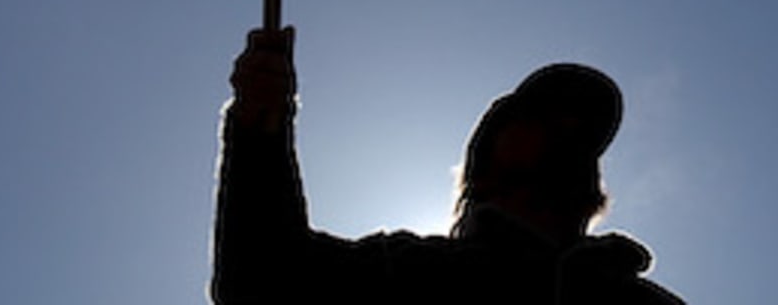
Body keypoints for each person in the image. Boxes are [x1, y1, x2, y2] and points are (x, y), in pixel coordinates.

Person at [214, 27, 684, 305]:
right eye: (541, 119)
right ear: (486, 160)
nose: (563, 135)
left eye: (580, 136)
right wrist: (261, 128)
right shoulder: (412, 273)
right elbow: (262, 279)